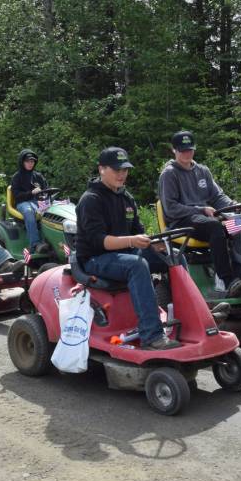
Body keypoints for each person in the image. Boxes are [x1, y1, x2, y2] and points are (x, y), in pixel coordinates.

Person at [75, 147, 180, 351]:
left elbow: (138, 231)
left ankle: (189, 318)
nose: (122, 174)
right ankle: (152, 336)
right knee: (137, 265)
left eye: (125, 169)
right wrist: (132, 241)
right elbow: (100, 242)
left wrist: (155, 244)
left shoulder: (126, 198)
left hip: (123, 254)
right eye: (116, 170)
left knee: (174, 257)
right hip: (95, 259)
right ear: (101, 169)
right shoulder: (91, 200)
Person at [158, 131, 241, 297]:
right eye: (182, 150)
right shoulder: (169, 174)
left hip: (202, 218)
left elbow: (218, 197)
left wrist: (235, 207)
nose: (187, 153)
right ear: (174, 150)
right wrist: (200, 209)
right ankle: (226, 279)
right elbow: (171, 208)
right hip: (180, 221)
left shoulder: (202, 171)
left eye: (190, 149)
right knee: (215, 227)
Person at [10, 149, 50, 254]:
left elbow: (46, 190)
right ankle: (35, 244)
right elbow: (17, 196)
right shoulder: (16, 177)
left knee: (52, 211)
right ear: (22, 162)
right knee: (29, 212)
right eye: (27, 161)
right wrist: (31, 193)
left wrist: (46, 197)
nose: (30, 163)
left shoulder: (38, 176)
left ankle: (52, 241)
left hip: (38, 201)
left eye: (32, 161)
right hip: (22, 202)